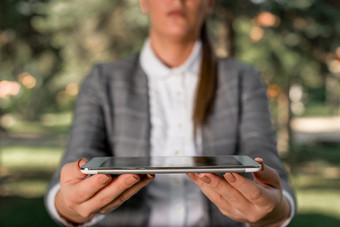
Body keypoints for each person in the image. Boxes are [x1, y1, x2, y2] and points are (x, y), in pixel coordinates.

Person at [45, 0, 296, 226]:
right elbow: (73, 169)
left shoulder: (244, 79)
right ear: (144, 3)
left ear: (208, 4)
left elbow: (270, 173)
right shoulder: (102, 80)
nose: (177, 1)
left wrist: (273, 212)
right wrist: (71, 208)